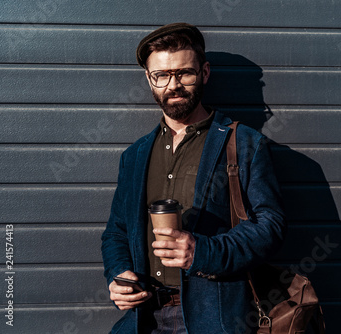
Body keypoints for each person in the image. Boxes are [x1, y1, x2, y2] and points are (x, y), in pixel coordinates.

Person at [101, 22, 286, 334]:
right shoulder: (133, 156)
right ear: (149, 79)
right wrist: (119, 274)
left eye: (184, 73)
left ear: (204, 72)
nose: (173, 85)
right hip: (143, 319)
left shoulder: (242, 142)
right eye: (161, 75)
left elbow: (271, 225)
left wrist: (203, 253)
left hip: (215, 319)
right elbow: (116, 232)